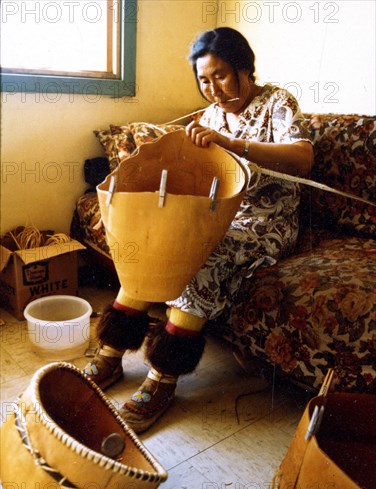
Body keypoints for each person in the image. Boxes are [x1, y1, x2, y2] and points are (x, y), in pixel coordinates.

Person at [83, 27, 314, 433]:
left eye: (221, 75)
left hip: (265, 222)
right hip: (216, 214)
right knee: (154, 245)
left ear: (245, 68)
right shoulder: (209, 114)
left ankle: (162, 377)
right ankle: (110, 352)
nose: (214, 89)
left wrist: (232, 143)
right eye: (204, 80)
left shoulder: (277, 101)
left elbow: (302, 157)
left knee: (203, 253)